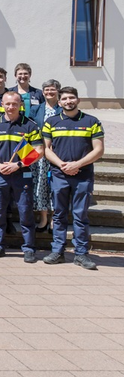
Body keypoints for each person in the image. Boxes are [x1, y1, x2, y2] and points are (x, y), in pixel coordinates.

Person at [42, 87, 105, 270]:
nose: (68, 101)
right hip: (59, 175)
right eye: (65, 99)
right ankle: (58, 251)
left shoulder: (91, 121)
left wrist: (77, 164)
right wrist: (62, 164)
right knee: (59, 215)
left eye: (72, 98)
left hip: (83, 176)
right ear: (59, 102)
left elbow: (99, 150)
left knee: (80, 216)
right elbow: (46, 149)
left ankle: (81, 254)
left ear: (78, 100)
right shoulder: (51, 122)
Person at [0, 91, 44, 262]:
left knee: (25, 212)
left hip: (22, 174)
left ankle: (29, 248)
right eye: (8, 104)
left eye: (14, 104)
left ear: (20, 105)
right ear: (2, 104)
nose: (11, 107)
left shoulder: (29, 125)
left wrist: (18, 164)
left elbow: (39, 151)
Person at [32, 79, 62, 233]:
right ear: (42, 92)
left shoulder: (62, 110)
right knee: (41, 186)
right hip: (40, 156)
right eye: (47, 90)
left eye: (52, 89)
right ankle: (43, 218)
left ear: (58, 91)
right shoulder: (36, 110)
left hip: (58, 154)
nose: (49, 92)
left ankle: (54, 220)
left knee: (55, 186)